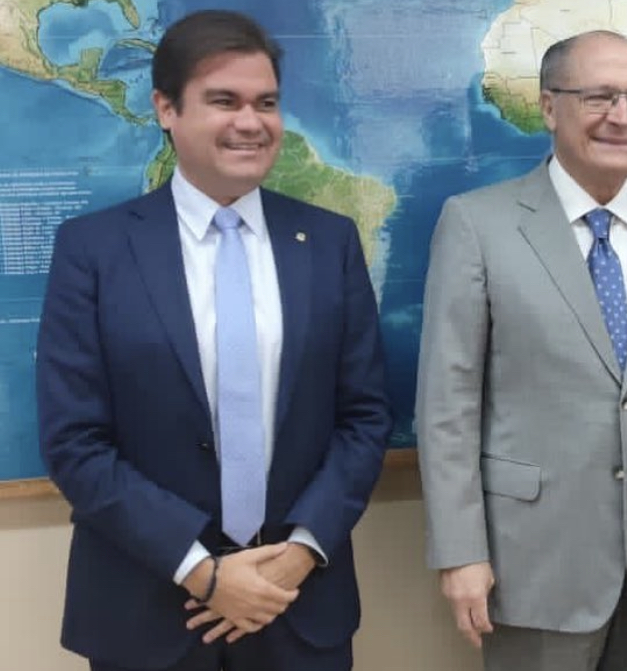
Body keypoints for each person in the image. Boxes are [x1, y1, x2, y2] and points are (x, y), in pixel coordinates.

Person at [36, 10, 391, 671]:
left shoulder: (329, 242)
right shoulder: (94, 250)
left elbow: (364, 417)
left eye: (266, 103)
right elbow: (75, 441)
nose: (250, 122)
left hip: (296, 605)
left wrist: (297, 556)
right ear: (165, 109)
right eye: (224, 101)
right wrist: (202, 570)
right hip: (148, 610)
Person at [416, 29, 627, 671]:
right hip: (532, 562)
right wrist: (461, 553)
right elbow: (447, 407)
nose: (622, 116)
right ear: (550, 107)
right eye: (600, 97)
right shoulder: (477, 225)